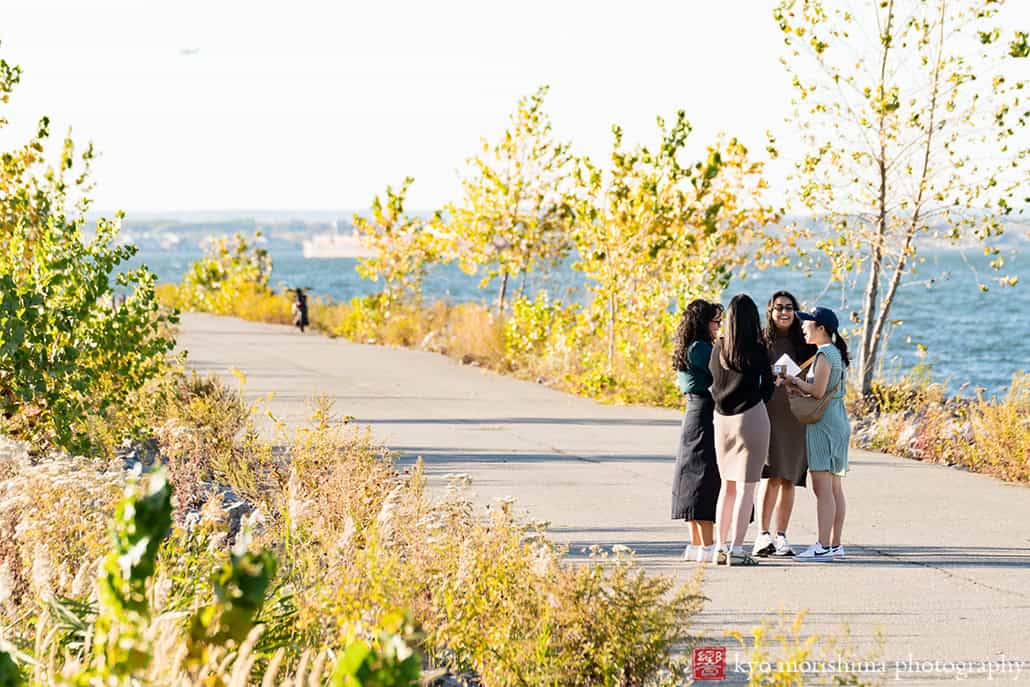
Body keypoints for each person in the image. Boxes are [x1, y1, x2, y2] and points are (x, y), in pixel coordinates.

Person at [709, 294, 775, 566]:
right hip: (750, 416)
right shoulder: (757, 349)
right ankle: (738, 548)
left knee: (727, 487)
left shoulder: (719, 348)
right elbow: (768, 387)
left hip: (721, 419)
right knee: (748, 487)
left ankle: (720, 547)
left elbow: (712, 381)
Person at [783, 306, 851, 561]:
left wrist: (794, 380)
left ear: (821, 328)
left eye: (807, 323)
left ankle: (823, 545)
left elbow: (819, 391)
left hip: (824, 424)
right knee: (834, 487)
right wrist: (802, 386)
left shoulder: (824, 354)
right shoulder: (835, 354)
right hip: (837, 419)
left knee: (822, 487)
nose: (802, 327)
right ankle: (835, 544)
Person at [752, 291, 816, 558]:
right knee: (770, 475)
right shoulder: (759, 342)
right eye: (779, 307)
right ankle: (762, 535)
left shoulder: (805, 344)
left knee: (789, 477)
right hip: (769, 414)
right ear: (770, 310)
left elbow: (817, 376)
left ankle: (782, 535)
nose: (784, 312)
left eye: (789, 308)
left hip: (796, 417)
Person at [671, 299, 724, 564]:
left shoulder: (687, 347)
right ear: (704, 323)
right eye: (716, 322)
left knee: (691, 475)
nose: (718, 327)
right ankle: (708, 543)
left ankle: (695, 542)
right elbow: (721, 374)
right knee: (705, 476)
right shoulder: (702, 349)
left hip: (692, 410)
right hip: (704, 411)